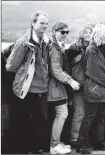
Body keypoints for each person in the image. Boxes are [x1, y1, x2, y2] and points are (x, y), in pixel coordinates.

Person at [6, 11, 51, 154]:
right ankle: (23, 150)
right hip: (27, 90)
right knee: (24, 121)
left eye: (46, 23)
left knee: (40, 121)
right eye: (41, 23)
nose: (44, 26)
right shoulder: (23, 42)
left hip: (42, 89)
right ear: (33, 23)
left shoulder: (46, 42)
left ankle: (35, 149)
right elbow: (10, 66)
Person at [77, 24, 105, 154]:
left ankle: (97, 141)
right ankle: (82, 144)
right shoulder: (92, 49)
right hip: (95, 88)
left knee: (99, 115)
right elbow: (95, 72)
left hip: (99, 88)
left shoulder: (97, 48)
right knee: (91, 116)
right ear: (101, 34)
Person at [48, 22, 80, 154]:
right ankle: (54, 145)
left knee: (60, 114)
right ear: (54, 32)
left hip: (58, 86)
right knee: (62, 113)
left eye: (67, 32)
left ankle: (56, 142)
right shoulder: (53, 47)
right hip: (54, 86)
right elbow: (55, 70)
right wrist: (71, 81)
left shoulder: (58, 46)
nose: (65, 35)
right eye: (62, 32)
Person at [66, 25, 92, 148]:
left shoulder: (92, 47)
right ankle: (74, 138)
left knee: (87, 113)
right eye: (86, 32)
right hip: (77, 85)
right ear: (81, 33)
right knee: (79, 112)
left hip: (90, 85)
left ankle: (84, 137)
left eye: (90, 32)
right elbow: (67, 67)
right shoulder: (74, 48)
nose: (88, 34)